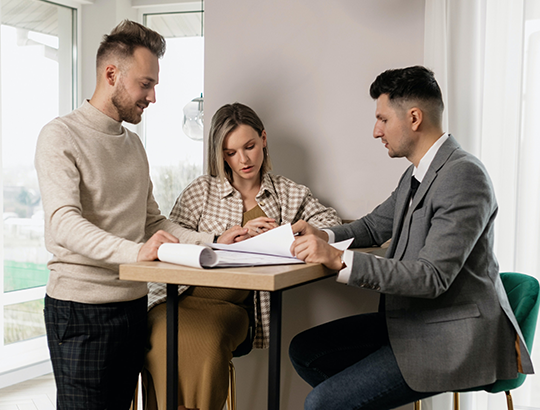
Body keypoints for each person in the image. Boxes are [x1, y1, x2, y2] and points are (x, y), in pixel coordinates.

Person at [288, 66, 534, 410]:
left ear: (414, 118)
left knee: (321, 403)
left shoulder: (464, 176)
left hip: (448, 337)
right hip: (414, 321)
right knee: (306, 351)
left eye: (383, 119)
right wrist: (324, 234)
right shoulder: (418, 173)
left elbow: (432, 276)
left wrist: (338, 259)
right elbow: (375, 226)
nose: (376, 131)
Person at [35, 20, 212, 410]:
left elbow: (152, 221)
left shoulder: (133, 145)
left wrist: (212, 243)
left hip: (133, 305)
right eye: (145, 84)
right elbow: (63, 223)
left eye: (154, 86)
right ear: (111, 74)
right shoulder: (60, 136)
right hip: (81, 311)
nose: (152, 97)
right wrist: (137, 254)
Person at [144, 102, 341, 410]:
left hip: (234, 307)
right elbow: (169, 243)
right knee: (165, 337)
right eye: (230, 152)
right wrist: (218, 241)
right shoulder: (201, 191)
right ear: (220, 154)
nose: (243, 159)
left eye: (249, 146)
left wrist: (287, 236)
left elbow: (332, 224)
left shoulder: (288, 193)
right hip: (180, 297)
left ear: (263, 138)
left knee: (207, 341)